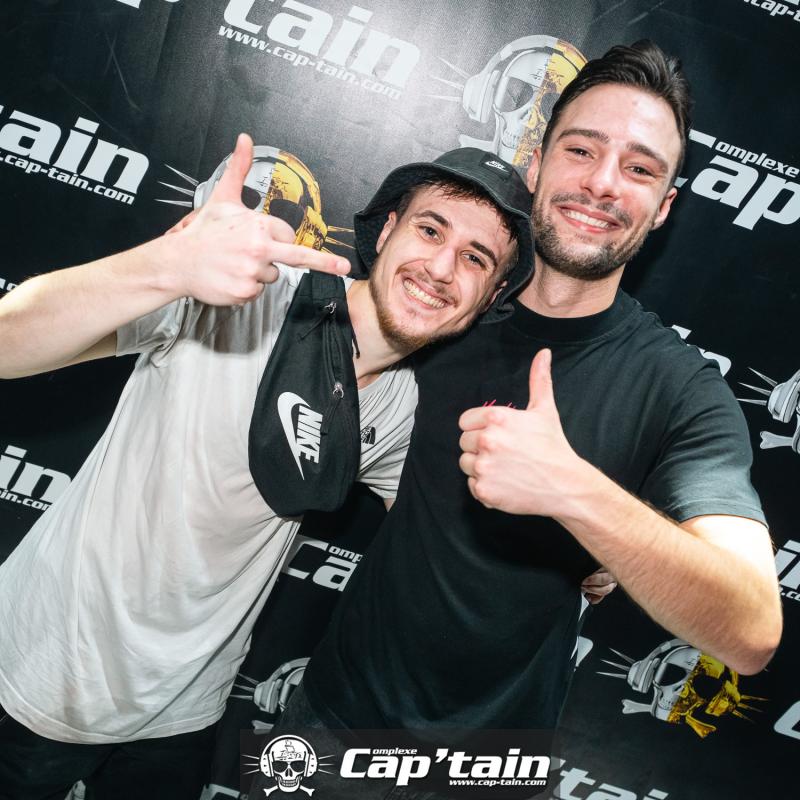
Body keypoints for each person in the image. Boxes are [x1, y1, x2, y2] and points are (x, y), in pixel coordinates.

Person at [256, 41, 782, 799]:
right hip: (332, 726)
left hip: (496, 771)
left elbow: (753, 632)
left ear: (665, 207)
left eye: (639, 169)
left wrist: (575, 495)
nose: (603, 182)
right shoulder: (440, 303)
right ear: (535, 166)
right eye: (581, 150)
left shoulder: (680, 389)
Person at [0, 140, 533, 799]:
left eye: (476, 258)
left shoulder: (405, 408)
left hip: (187, 709)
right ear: (387, 230)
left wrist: (581, 546)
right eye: (430, 230)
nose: (442, 267)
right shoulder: (247, 295)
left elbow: (452, 548)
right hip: (46, 674)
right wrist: (166, 267)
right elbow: (8, 343)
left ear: (490, 296)